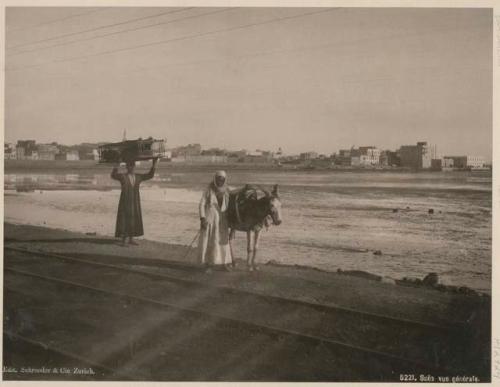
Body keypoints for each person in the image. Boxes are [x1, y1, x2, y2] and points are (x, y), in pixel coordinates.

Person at [111, 157, 158, 246]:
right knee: (125, 218)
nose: (131, 167)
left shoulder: (138, 177)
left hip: (135, 201)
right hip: (125, 201)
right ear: (126, 167)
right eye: (129, 166)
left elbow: (150, 175)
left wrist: (154, 163)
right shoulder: (122, 176)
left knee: (134, 218)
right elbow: (113, 175)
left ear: (134, 166)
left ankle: (131, 239)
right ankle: (124, 240)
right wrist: (116, 164)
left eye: (132, 166)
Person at [198, 170, 233, 273]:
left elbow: (234, 199)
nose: (220, 181)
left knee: (223, 242)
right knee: (210, 242)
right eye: (218, 179)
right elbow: (201, 204)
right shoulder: (209, 190)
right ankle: (209, 265)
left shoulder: (227, 190)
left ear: (225, 180)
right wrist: (202, 218)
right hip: (210, 220)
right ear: (215, 179)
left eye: (222, 179)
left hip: (223, 221)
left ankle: (224, 263)